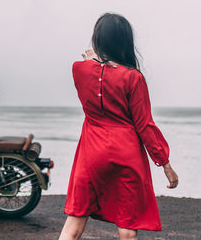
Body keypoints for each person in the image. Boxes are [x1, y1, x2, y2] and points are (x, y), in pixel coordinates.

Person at [59, 13, 179, 240]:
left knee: (75, 220)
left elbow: (94, 68)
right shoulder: (133, 77)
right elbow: (145, 125)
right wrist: (164, 163)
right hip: (126, 154)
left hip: (91, 153)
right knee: (127, 226)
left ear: (97, 39)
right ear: (124, 41)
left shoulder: (79, 69)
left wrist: (93, 59)